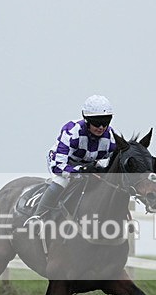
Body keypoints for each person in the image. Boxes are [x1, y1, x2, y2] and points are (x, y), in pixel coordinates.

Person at [24, 94, 118, 229]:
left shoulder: (111, 138)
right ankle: (38, 216)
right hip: (62, 163)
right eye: (97, 123)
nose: (101, 127)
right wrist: (79, 171)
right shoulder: (72, 131)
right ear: (86, 120)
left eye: (106, 122)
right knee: (62, 181)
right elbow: (58, 167)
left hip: (88, 165)